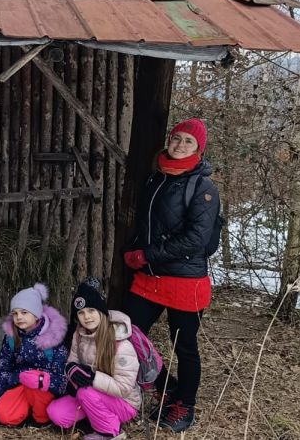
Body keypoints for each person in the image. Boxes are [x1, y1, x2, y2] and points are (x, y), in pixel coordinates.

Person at [122, 118, 221, 433]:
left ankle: (185, 404)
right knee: (128, 333)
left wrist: (147, 254)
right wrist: (137, 249)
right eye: (176, 138)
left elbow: (197, 239)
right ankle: (167, 385)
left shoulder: (203, 187)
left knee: (185, 345)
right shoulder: (156, 178)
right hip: (150, 278)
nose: (179, 144)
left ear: (199, 148)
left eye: (188, 141)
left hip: (185, 282)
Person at [47, 280, 139, 439]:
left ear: (101, 311)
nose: (87, 317)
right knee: (56, 414)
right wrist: (70, 370)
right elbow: (72, 362)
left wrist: (92, 377)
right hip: (90, 394)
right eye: (81, 313)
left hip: (124, 402)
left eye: (91, 310)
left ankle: (109, 432)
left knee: (85, 393)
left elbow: (124, 387)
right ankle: (97, 417)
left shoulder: (121, 344)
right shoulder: (79, 335)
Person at [0, 283, 68, 428]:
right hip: (19, 384)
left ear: (37, 313)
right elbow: (4, 367)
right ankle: (24, 411)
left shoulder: (53, 336)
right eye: (15, 313)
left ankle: (41, 418)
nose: (19, 317)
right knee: (3, 415)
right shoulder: (11, 337)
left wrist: (43, 380)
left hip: (43, 389)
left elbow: (62, 376)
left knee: (37, 390)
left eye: (24, 312)